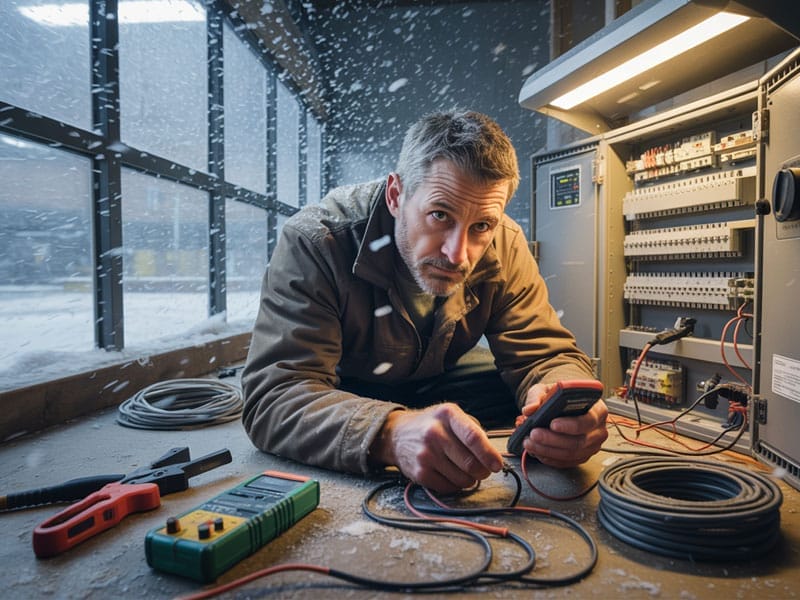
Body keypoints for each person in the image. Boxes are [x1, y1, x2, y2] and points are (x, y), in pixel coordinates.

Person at [241, 109, 608, 493]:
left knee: (528, 403)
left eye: (481, 226)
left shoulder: (506, 242)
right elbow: (275, 396)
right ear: (396, 195)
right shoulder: (316, 242)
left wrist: (564, 408)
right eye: (439, 215)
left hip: (442, 382)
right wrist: (390, 434)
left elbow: (545, 356)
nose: (457, 254)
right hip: (345, 389)